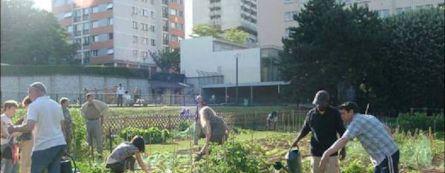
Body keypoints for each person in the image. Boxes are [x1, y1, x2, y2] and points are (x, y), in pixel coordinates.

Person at [319, 102, 399, 173]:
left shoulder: (356, 122)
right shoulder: (367, 117)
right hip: (381, 158)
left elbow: (343, 140)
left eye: (343, 113)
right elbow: (386, 128)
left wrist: (326, 154)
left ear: (351, 112)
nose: (341, 116)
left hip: (388, 155)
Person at [8, 82, 67, 173]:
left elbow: (29, 127)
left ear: (38, 92)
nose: (29, 95)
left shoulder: (34, 105)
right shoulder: (56, 105)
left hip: (44, 146)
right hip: (59, 144)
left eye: (30, 92)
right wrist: (64, 143)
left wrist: (14, 128)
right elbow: (62, 127)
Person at [291, 90, 346, 173]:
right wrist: (296, 140)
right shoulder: (311, 114)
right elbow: (305, 129)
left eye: (322, 103)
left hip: (331, 153)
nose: (319, 105)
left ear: (327, 102)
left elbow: (342, 132)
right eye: (318, 103)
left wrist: (343, 149)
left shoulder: (334, 113)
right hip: (316, 152)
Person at [80, 93, 108, 158]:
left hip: (96, 121)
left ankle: (100, 153)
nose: (90, 99)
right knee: (88, 138)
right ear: (87, 98)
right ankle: (89, 153)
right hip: (88, 121)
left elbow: (106, 107)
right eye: (89, 98)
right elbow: (81, 111)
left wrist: (101, 114)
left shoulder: (97, 103)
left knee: (98, 137)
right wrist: (85, 117)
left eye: (91, 97)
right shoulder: (85, 105)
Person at [1, 100, 19, 173]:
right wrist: (13, 134)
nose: (15, 111)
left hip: (11, 145)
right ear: (7, 108)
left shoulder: (8, 119)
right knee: (7, 168)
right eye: (13, 109)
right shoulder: (2, 118)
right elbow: (4, 133)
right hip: (5, 145)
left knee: (13, 168)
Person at [18, 97, 33, 173]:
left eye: (25, 106)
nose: (25, 108)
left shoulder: (29, 114)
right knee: (29, 162)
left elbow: (24, 128)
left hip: (28, 140)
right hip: (32, 139)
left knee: (24, 161)